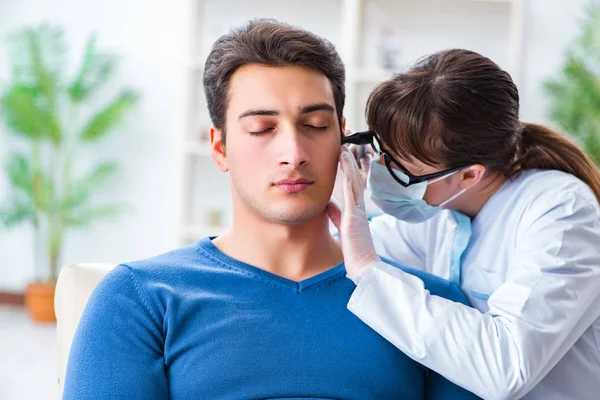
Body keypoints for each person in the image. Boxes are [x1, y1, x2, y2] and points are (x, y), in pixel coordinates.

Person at [62, 20, 480, 399]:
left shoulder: (430, 305)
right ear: (221, 148)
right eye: (262, 129)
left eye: (316, 126)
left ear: (343, 139)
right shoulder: (139, 298)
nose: (293, 153)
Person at [328, 48, 600, 400]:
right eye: (381, 149)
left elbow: (505, 368)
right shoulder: (437, 212)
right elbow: (337, 251)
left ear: (469, 175)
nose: (379, 169)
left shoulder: (560, 210)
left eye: (401, 166)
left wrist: (367, 268)